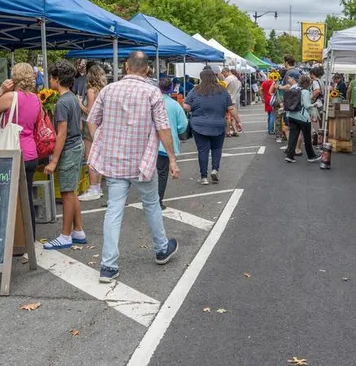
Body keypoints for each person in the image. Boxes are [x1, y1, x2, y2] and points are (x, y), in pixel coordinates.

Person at [87, 51, 180, 283]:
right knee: (151, 204)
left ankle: (108, 266)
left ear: (126, 67)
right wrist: (172, 158)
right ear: (147, 69)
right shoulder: (152, 92)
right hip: (142, 161)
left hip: (115, 161)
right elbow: (163, 128)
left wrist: (100, 141)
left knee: (114, 210)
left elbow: (92, 120)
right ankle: (161, 249)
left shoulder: (108, 90)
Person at [0, 63, 42, 238]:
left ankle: (8, 238)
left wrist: (0, 90)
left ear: (14, 78)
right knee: (26, 198)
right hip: (30, 154)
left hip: (12, 152)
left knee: (5, 197)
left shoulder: (10, 97)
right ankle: (29, 237)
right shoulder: (36, 99)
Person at [43, 60, 86, 250]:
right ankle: (78, 230)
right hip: (76, 145)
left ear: (57, 79)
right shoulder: (73, 98)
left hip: (68, 148)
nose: (49, 80)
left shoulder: (62, 102)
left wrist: (54, 160)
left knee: (67, 193)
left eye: (51, 77)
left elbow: (61, 133)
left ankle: (65, 235)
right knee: (72, 190)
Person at [184, 68, 242, 185]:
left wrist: (193, 109)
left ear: (201, 78)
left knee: (202, 150)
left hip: (199, 125)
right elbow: (231, 108)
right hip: (218, 124)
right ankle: (215, 169)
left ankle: (204, 177)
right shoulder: (222, 90)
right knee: (217, 148)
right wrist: (238, 121)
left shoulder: (195, 90)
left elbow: (186, 106)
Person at [78, 64, 108, 202]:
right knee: (99, 156)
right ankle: (98, 186)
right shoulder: (104, 90)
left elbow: (90, 112)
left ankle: (93, 187)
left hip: (90, 126)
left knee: (90, 157)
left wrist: (79, 103)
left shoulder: (91, 91)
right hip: (102, 125)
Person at [157, 78, 188, 209]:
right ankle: (158, 201)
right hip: (167, 145)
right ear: (171, 89)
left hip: (150, 143)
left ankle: (149, 199)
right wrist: (177, 131)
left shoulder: (151, 102)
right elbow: (183, 124)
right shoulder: (175, 105)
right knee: (162, 173)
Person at [283, 72, 320, 163]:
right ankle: (311, 156)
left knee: (293, 137)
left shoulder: (294, 89)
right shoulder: (305, 92)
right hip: (303, 117)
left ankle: (290, 156)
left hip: (291, 115)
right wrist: (314, 105)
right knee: (307, 138)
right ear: (308, 83)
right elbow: (307, 105)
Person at [221, 68, 241, 137]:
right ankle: (235, 130)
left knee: (227, 117)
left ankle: (228, 131)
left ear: (226, 72)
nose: (223, 75)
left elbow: (222, 88)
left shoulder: (228, 79)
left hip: (227, 99)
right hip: (233, 99)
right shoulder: (235, 78)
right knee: (232, 116)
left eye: (223, 73)